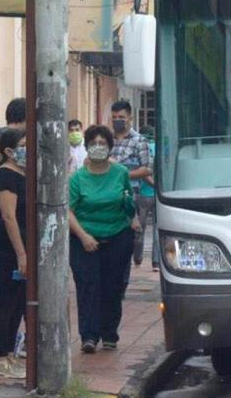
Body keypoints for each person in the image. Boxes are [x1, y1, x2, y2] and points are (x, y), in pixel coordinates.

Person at [69, 125, 137, 354]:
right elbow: (68, 210)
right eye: (94, 143)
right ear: (87, 147)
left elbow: (128, 201)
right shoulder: (78, 178)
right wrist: (83, 236)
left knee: (112, 287)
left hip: (117, 237)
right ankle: (89, 335)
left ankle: (109, 334)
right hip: (84, 240)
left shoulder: (121, 173)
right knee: (88, 287)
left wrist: (133, 218)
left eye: (103, 144)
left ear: (110, 147)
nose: (98, 148)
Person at [0, 128, 28, 379]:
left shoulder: (24, 173)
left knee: (20, 303)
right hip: (12, 248)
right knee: (7, 301)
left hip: (26, 245)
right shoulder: (4, 175)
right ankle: (1, 357)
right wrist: (21, 254)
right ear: (9, 150)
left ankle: (12, 354)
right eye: (23, 145)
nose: (28, 149)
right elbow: (8, 216)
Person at [109, 101, 152, 268]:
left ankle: (125, 271)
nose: (117, 120)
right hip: (107, 193)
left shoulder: (139, 141)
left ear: (130, 118)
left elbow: (146, 169)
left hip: (130, 195)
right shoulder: (107, 139)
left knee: (127, 236)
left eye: (121, 117)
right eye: (114, 117)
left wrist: (122, 172)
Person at [138, 126, 159, 271]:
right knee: (157, 228)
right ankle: (156, 262)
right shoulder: (159, 148)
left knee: (140, 227)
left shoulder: (140, 149)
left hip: (142, 194)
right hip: (158, 194)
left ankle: (137, 257)